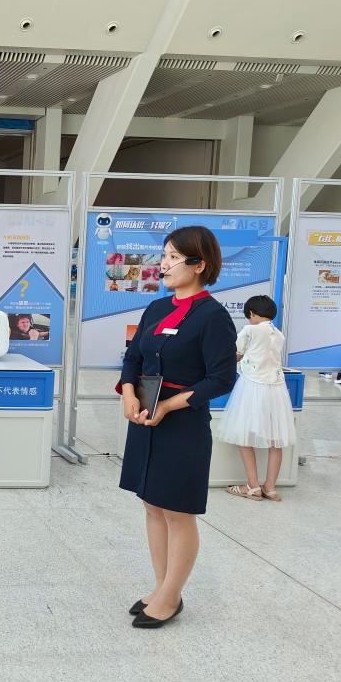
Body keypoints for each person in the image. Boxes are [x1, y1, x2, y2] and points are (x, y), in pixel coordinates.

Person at [117, 226, 236, 628]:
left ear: (199, 265)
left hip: (182, 423)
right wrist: (128, 394)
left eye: (172, 257)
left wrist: (168, 404)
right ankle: (161, 586)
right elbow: (133, 357)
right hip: (145, 417)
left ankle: (171, 596)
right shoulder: (156, 309)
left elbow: (221, 379)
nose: (163, 265)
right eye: (164, 256)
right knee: (152, 504)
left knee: (177, 511)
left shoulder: (213, 317)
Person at [221, 296, 296, 502]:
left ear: (252, 314)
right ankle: (270, 488)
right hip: (277, 388)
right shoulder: (278, 334)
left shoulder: (249, 330)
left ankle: (253, 486)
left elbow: (236, 354)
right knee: (276, 440)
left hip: (252, 386)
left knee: (244, 435)